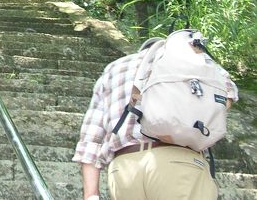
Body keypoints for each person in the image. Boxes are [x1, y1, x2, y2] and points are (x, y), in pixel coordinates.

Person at [72, 36, 238, 200]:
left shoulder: (114, 69)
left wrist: (91, 194)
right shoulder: (191, 59)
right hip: (178, 164)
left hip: (124, 169)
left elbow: (90, 138)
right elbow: (229, 91)